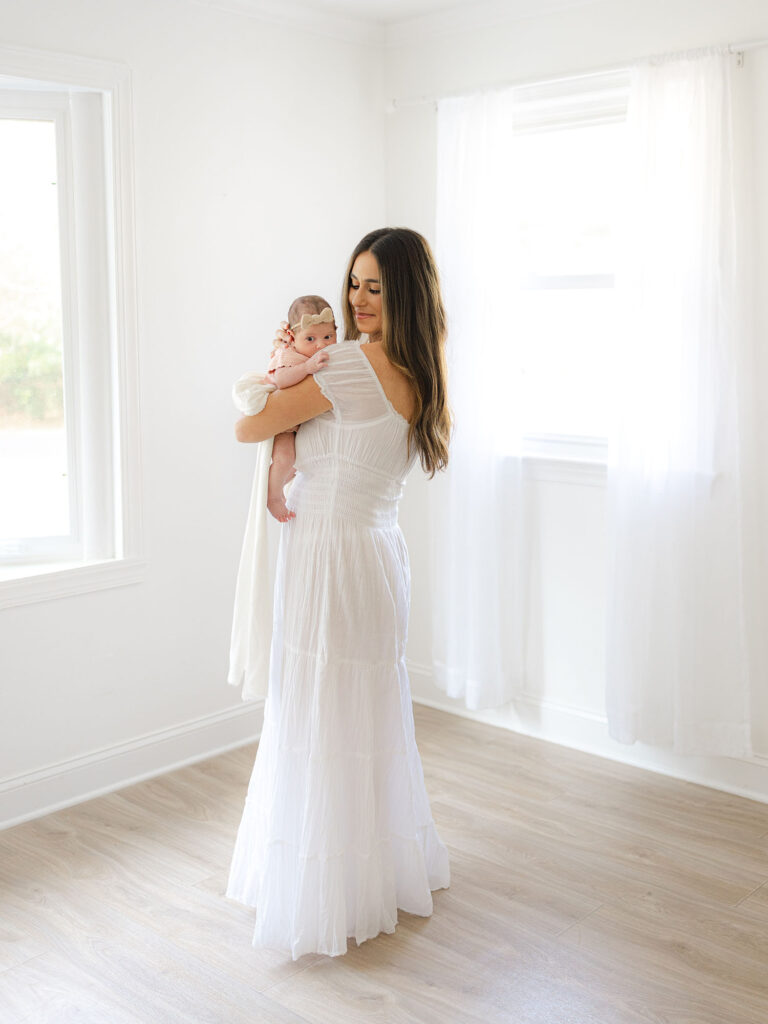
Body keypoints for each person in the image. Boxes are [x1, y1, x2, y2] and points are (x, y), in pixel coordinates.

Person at [225, 227, 453, 960]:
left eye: (375, 287)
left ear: (404, 294)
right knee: (364, 714)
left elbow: (247, 425)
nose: (357, 299)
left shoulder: (350, 366)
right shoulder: (425, 370)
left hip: (329, 553)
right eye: (353, 283)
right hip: (379, 554)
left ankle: (325, 889)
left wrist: (280, 371)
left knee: (320, 711)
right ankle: (371, 872)